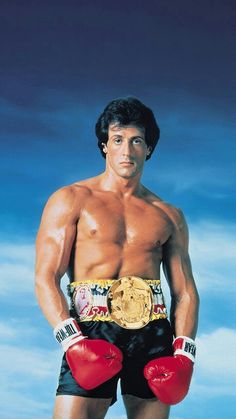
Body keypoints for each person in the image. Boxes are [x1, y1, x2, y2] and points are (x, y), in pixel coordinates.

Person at [35, 97, 199, 419]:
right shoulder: (71, 199)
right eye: (118, 140)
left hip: (152, 333)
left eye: (137, 141)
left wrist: (185, 354)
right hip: (91, 330)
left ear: (148, 149)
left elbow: (185, 292)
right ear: (104, 146)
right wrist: (71, 340)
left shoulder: (168, 215)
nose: (127, 150)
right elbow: (46, 277)